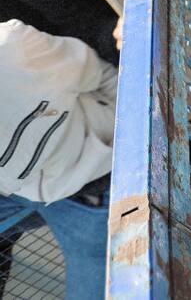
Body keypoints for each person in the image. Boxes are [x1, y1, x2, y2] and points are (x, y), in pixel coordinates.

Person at [0, 16, 120, 300]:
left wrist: (135, 136)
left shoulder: (12, 49)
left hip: (92, 184)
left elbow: (103, 76)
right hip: (23, 189)